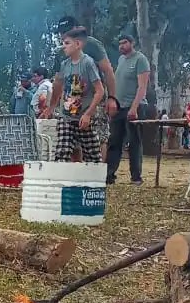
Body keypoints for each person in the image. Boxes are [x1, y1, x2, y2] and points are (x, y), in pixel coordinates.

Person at [53, 17, 116, 159]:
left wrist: (112, 98)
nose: (63, 35)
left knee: (98, 138)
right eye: (61, 33)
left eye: (66, 32)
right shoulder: (62, 51)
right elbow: (58, 81)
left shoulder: (92, 45)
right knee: (73, 141)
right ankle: (78, 176)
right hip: (72, 100)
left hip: (94, 99)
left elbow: (107, 71)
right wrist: (52, 105)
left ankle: (99, 174)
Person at [48, 30, 105, 163]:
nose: (64, 46)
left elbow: (100, 90)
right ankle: (62, 181)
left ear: (78, 44)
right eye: (63, 43)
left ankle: (94, 181)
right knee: (62, 151)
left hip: (83, 117)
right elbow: (58, 85)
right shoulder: (64, 65)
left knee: (93, 155)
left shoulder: (88, 63)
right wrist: (51, 107)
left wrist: (88, 114)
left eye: (67, 43)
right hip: (66, 116)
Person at [107, 29, 151, 185]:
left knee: (134, 142)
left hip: (135, 107)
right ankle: (109, 175)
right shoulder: (120, 60)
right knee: (114, 141)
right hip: (119, 107)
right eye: (120, 43)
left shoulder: (141, 60)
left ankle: (136, 177)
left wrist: (134, 108)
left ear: (132, 43)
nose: (122, 46)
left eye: (124, 42)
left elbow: (142, 87)